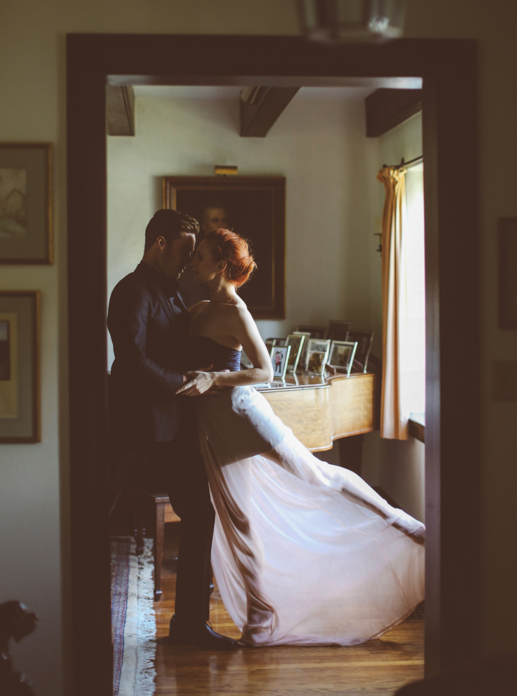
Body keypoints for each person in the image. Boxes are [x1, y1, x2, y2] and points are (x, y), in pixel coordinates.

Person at [176, 228, 425, 647]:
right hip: (213, 426)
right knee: (239, 519)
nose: (193, 262)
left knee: (319, 476)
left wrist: (213, 377)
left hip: (243, 415)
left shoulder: (235, 311)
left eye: (200, 256)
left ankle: (407, 526)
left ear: (220, 265)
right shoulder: (198, 307)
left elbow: (264, 371)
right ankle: (260, 617)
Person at [107, 209, 238, 650]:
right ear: (160, 243)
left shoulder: (175, 291)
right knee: (99, 517)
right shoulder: (131, 290)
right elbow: (131, 359)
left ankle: (188, 625)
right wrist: (184, 384)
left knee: (200, 513)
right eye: (184, 250)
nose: (187, 261)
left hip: (172, 426)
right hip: (139, 429)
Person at [178, 202, 229, 307]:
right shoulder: (193, 263)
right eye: (215, 220)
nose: (221, 225)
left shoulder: (233, 257)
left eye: (223, 220)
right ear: (204, 226)